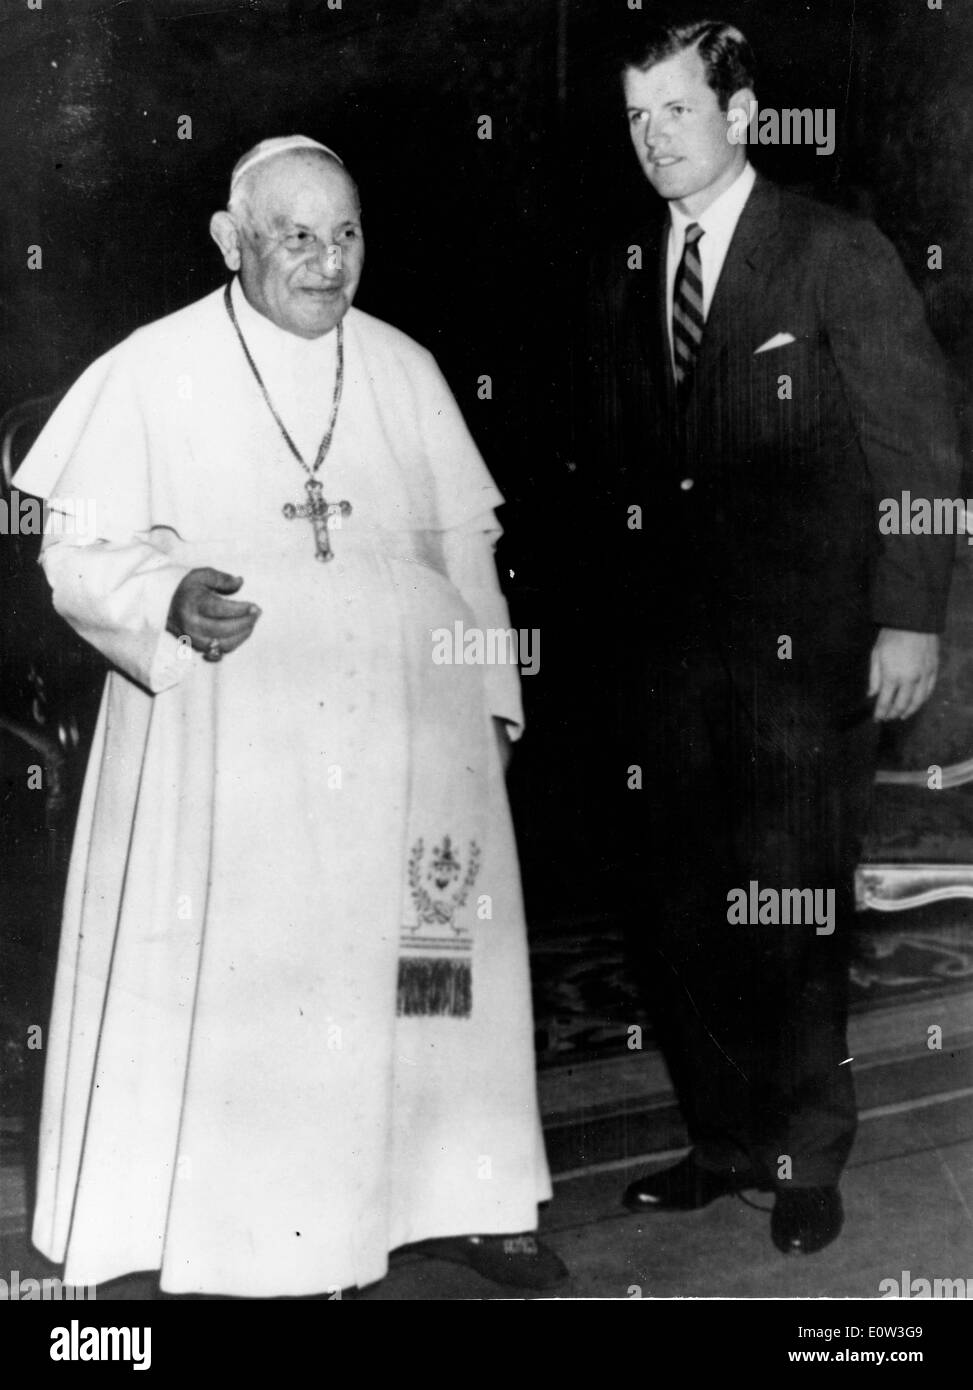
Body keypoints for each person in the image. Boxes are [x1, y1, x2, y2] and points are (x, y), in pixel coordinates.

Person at [13, 135, 563, 1296]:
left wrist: (492, 703)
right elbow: (73, 554)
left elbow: (467, 544)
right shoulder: (151, 368)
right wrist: (163, 594)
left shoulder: (405, 367)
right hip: (238, 750)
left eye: (346, 233)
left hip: (416, 746)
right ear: (230, 240)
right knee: (269, 980)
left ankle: (450, 1189)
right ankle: (250, 1224)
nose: (327, 263)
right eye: (296, 236)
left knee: (435, 961)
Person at [590, 22, 961, 1254]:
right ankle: (724, 1141)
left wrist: (911, 616)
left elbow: (917, 446)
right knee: (682, 909)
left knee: (792, 909)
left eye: (677, 113)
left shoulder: (832, 252)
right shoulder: (624, 267)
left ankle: (806, 1155)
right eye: (636, 118)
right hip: (670, 669)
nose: (653, 140)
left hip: (809, 659)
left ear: (741, 117)